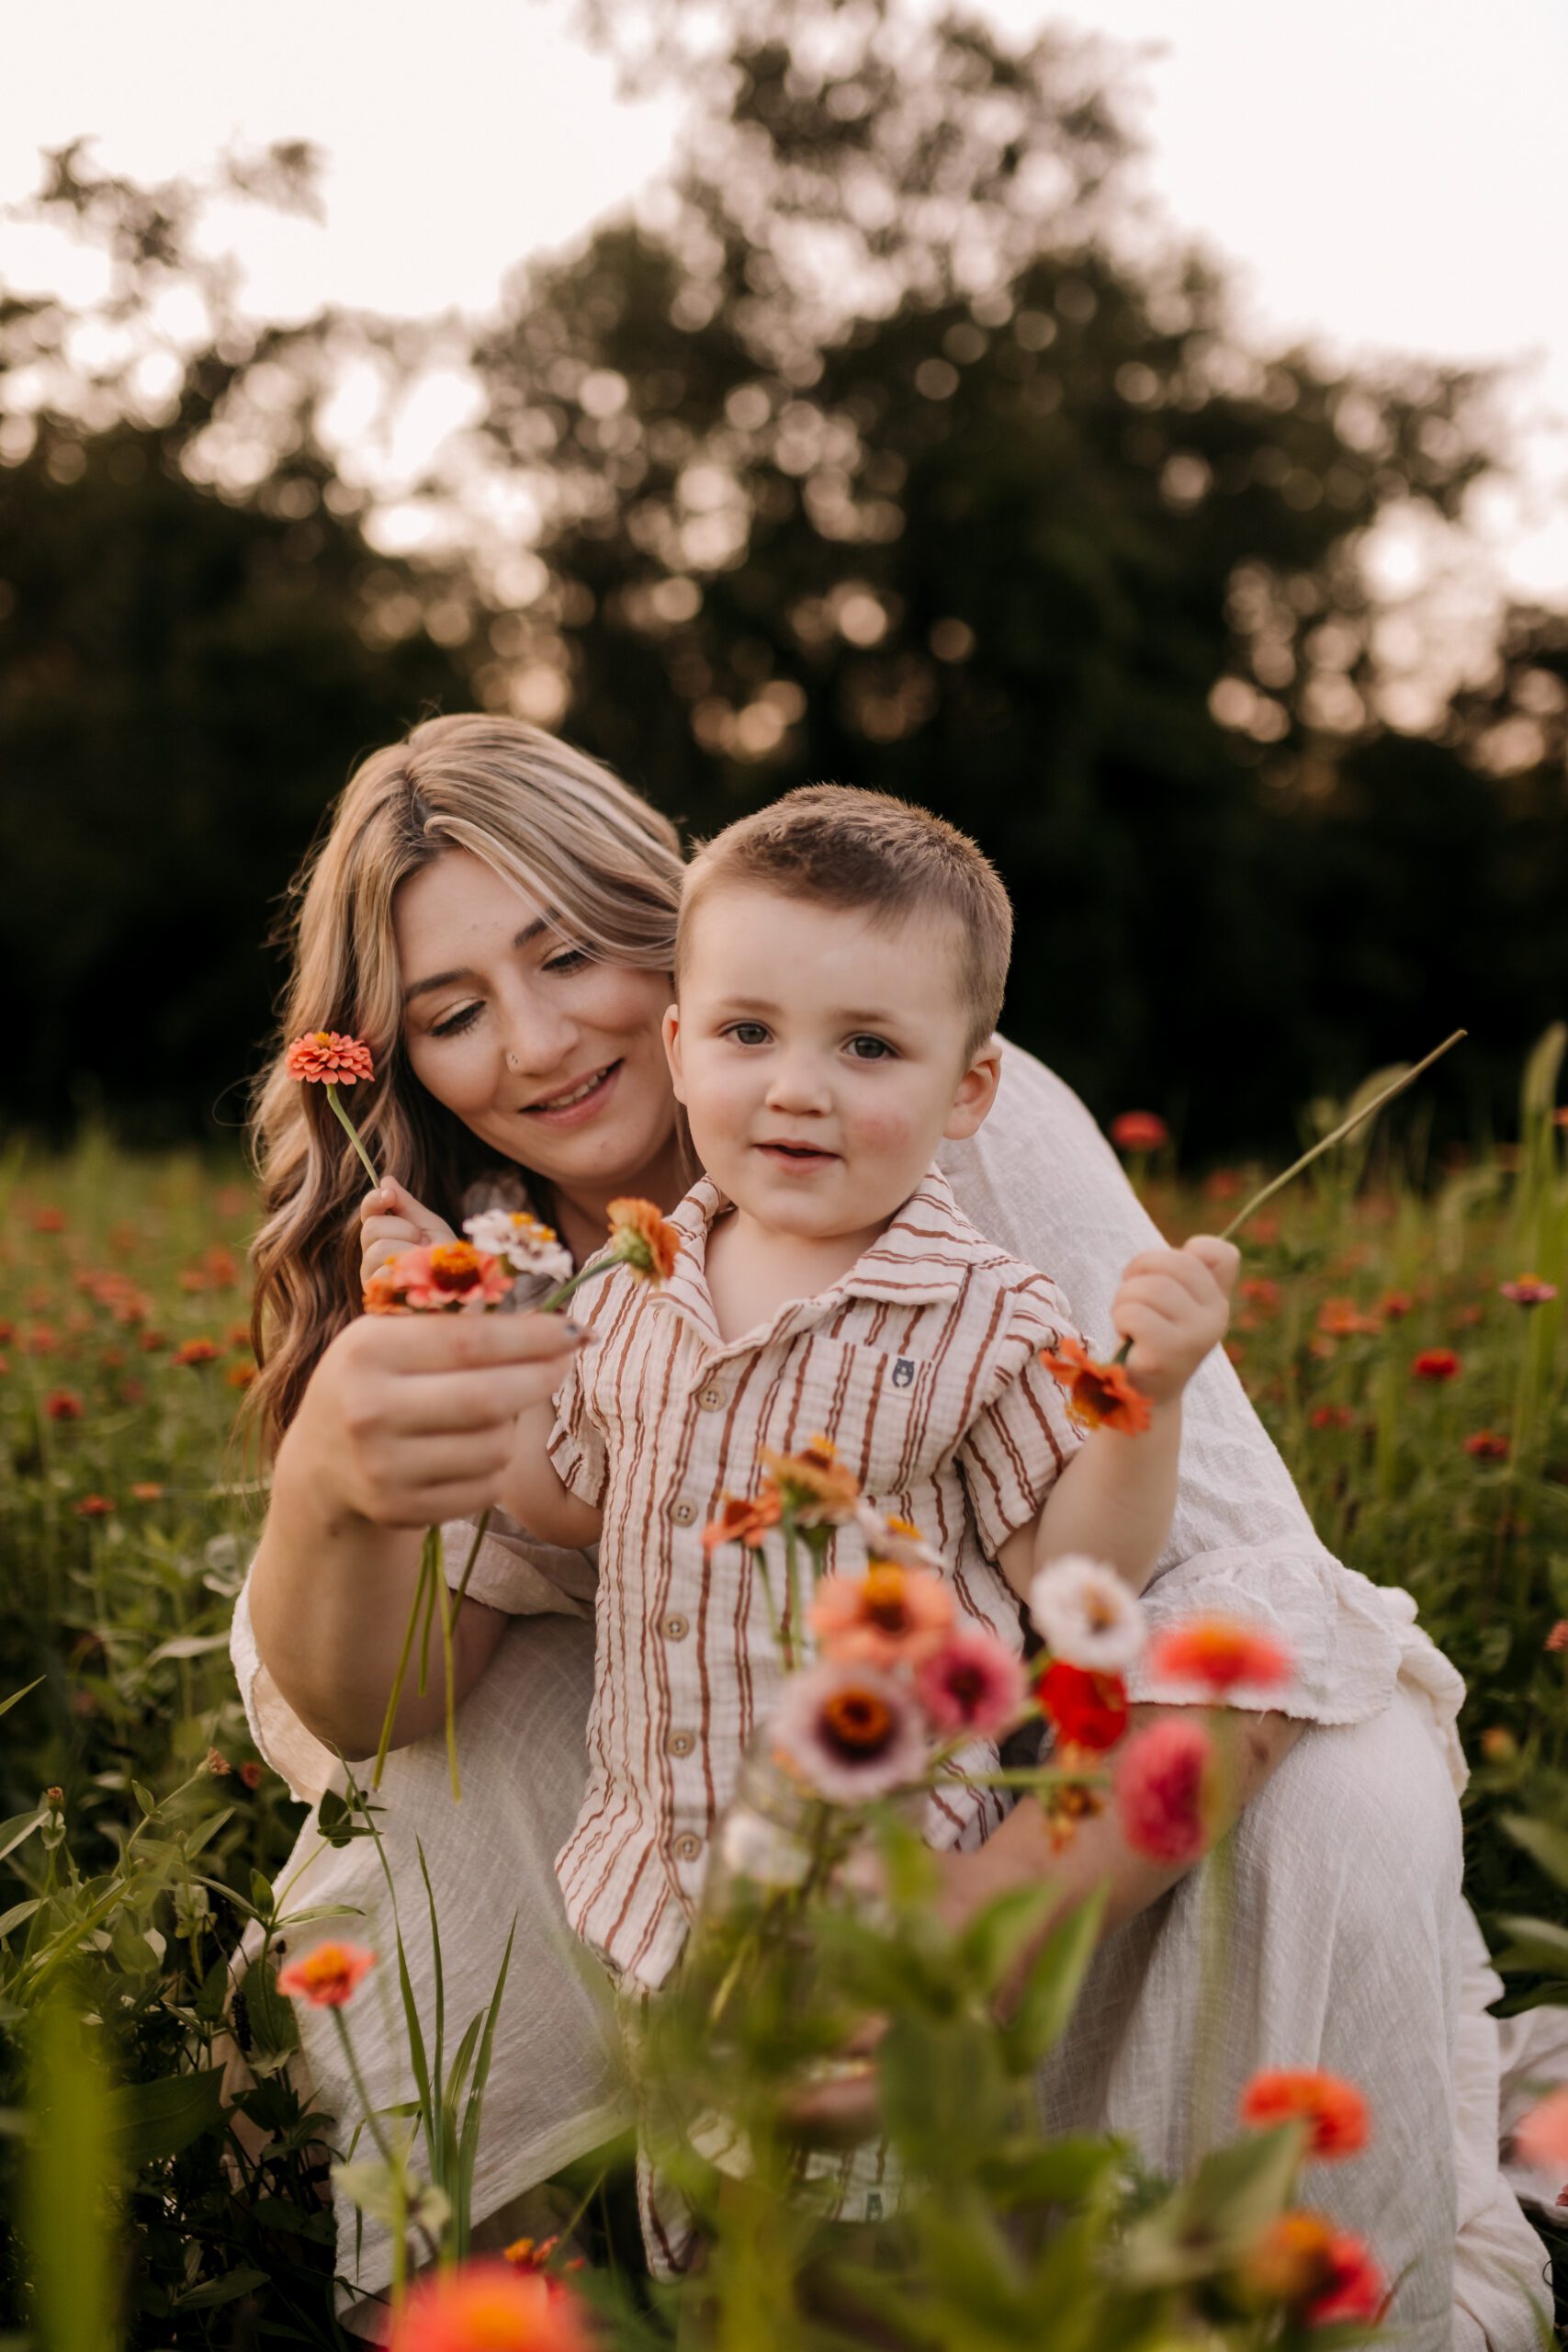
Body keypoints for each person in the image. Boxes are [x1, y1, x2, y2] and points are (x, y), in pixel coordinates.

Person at [233, 713, 1551, 2347]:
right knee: (460, 1786)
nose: (533, 1043)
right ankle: (569, 2260)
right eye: (450, 1012)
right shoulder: (492, 1249)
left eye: (571, 952)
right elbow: (394, 1704)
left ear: (672, 920)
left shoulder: (944, 1152)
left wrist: (988, 1923)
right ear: (398, 1056)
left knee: (1344, 1793)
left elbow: (1222, 1593)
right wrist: (344, 1485)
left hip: (974, 1798)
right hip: (689, 1839)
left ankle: (1271, 2251)